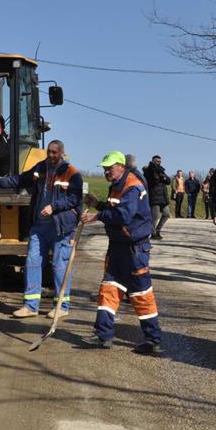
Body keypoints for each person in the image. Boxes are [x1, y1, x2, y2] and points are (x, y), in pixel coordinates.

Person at [0, 140, 82, 318]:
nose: (50, 155)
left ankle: (62, 306)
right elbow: (20, 179)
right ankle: (30, 306)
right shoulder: (40, 167)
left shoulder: (72, 173)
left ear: (62, 153)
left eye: (54, 152)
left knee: (59, 266)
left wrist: (54, 207)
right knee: (32, 261)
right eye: (49, 152)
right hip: (39, 226)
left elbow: (74, 199)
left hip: (61, 228)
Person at [81, 151, 162, 354]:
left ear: (121, 166)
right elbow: (114, 208)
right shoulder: (117, 185)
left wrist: (97, 216)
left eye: (109, 168)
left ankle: (153, 340)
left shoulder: (132, 186)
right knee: (108, 289)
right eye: (104, 168)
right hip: (117, 247)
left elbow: (124, 215)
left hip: (134, 250)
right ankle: (103, 335)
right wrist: (98, 204)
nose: (106, 172)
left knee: (141, 294)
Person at [143, 155, 171, 240]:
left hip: (163, 196)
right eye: (158, 161)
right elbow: (153, 181)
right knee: (155, 217)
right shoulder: (149, 170)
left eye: (160, 161)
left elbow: (168, 181)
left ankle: (157, 230)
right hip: (154, 196)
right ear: (153, 161)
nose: (159, 163)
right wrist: (160, 177)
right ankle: (153, 233)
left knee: (166, 214)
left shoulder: (161, 170)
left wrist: (163, 177)